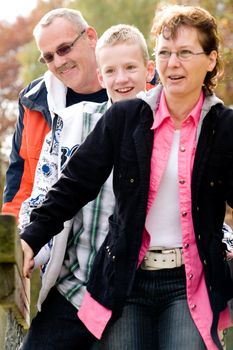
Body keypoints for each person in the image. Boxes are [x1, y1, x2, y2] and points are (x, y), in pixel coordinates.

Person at [20, 4, 233, 350]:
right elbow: (74, 185)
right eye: (164, 53)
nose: (172, 63)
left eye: (184, 53)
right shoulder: (126, 117)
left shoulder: (223, 127)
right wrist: (32, 237)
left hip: (188, 280)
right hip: (125, 279)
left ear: (210, 59)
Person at [19, 23, 154, 350]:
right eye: (111, 70)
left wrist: (223, 239)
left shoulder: (169, 129)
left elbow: (194, 199)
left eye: (130, 68)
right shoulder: (70, 125)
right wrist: (27, 244)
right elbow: (42, 198)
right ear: (101, 77)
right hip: (75, 286)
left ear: (149, 71)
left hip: (132, 292)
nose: (122, 79)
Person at [2, 8, 108, 220]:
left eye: (64, 49)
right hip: (51, 241)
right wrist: (10, 244)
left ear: (90, 37)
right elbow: (22, 185)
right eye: (49, 57)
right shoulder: (33, 101)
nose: (59, 62)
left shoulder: (140, 85)